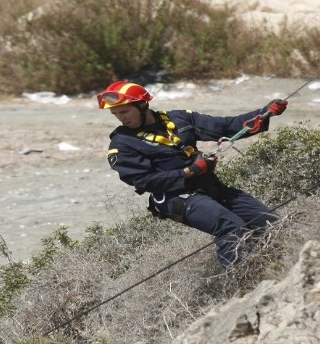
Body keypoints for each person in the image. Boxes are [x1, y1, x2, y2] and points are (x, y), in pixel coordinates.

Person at [97, 80, 288, 267]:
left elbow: (226, 126)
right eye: (115, 114)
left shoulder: (179, 118)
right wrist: (190, 171)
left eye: (124, 111)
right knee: (232, 228)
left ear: (142, 104)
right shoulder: (122, 143)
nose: (121, 118)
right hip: (176, 198)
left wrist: (264, 114)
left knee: (271, 223)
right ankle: (240, 283)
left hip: (210, 187)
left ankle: (275, 266)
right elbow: (143, 181)